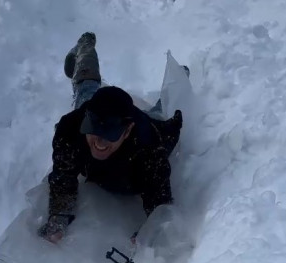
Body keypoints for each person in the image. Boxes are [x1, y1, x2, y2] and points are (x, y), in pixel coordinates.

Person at [38, 32, 184, 244]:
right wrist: (59, 216)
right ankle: (85, 48)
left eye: (110, 134)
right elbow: (63, 175)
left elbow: (159, 200)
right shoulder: (72, 128)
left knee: (159, 112)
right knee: (86, 89)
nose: (99, 141)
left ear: (126, 131)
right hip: (96, 108)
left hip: (144, 125)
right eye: (94, 129)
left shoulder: (150, 149)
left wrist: (150, 231)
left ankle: (179, 76)